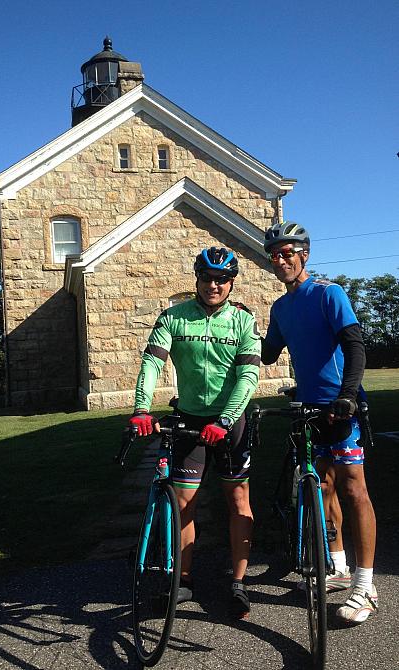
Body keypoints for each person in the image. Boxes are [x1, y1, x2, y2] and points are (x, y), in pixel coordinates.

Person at [129, 247, 261, 618]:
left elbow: (249, 376)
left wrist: (225, 420)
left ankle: (238, 582)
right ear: (197, 279)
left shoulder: (243, 322)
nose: (213, 285)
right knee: (185, 505)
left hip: (228, 423)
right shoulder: (174, 317)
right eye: (207, 277)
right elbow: (152, 362)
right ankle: (183, 581)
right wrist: (141, 408)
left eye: (221, 279)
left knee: (238, 502)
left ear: (231, 283)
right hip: (188, 420)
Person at [261, 221, 378, 625]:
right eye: (274, 254)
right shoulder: (280, 307)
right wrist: (242, 324)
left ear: (304, 254)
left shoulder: (329, 293)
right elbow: (269, 352)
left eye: (288, 252)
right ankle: (339, 564)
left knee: (352, 487)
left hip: (340, 406)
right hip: (307, 408)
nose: (281, 260)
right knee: (323, 485)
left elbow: (355, 345)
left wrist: (347, 395)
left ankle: (366, 585)